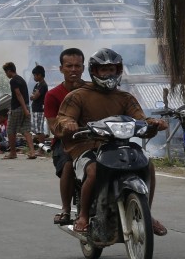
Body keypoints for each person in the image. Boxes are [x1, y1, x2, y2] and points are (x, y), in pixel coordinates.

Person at [54, 48, 168, 236]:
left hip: (118, 145)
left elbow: (141, 119)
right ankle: (83, 215)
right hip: (86, 145)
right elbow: (63, 118)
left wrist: (153, 123)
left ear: (118, 70)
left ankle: (147, 212)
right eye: (103, 70)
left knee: (148, 165)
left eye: (112, 70)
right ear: (94, 71)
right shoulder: (78, 95)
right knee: (93, 170)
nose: (108, 74)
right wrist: (69, 123)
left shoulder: (125, 97)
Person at [44, 48, 85, 225]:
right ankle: (66, 209)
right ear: (61, 69)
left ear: (83, 68)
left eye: (77, 66)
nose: (73, 69)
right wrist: (66, 128)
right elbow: (53, 126)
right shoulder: (52, 95)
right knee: (69, 164)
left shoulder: (92, 90)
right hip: (65, 142)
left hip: (92, 139)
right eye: (69, 66)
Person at [2, 62, 36, 159]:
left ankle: (13, 153)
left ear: (9, 71)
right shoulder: (21, 79)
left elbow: (18, 94)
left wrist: (24, 109)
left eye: (6, 72)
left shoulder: (13, 80)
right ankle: (32, 152)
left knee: (10, 130)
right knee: (26, 130)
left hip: (18, 108)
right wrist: (26, 108)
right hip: (26, 106)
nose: (6, 75)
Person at [29, 64, 48, 149]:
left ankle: (41, 149)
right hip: (35, 109)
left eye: (35, 75)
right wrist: (33, 96)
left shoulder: (43, 85)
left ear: (39, 75)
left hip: (39, 109)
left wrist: (33, 96)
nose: (34, 77)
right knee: (36, 130)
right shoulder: (37, 85)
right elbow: (32, 96)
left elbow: (34, 96)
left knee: (40, 131)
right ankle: (39, 147)